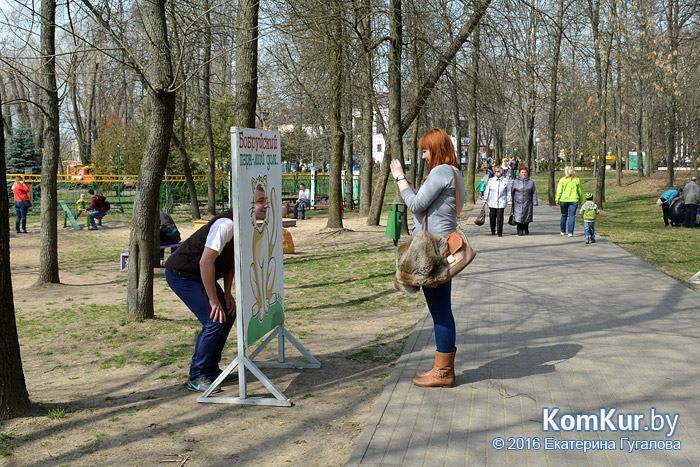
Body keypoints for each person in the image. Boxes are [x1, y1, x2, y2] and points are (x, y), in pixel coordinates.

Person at [165, 187, 269, 393]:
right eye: (260, 201)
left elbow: (231, 262)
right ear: (246, 205)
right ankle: (197, 375)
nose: (266, 205)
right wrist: (214, 300)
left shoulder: (247, 225)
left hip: (202, 275)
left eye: (265, 200)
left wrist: (227, 293)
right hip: (183, 274)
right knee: (213, 319)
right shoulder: (226, 224)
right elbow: (206, 262)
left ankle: (212, 369)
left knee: (228, 315)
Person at [389, 127, 465, 388]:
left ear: (436, 149)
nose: (422, 155)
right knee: (441, 311)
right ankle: (441, 368)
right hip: (440, 248)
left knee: (441, 313)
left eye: (425, 150)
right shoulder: (455, 172)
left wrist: (400, 178)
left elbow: (415, 204)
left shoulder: (441, 171)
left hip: (433, 252)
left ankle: (443, 373)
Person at [483, 165, 511, 237]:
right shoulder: (491, 180)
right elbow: (487, 190)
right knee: (492, 217)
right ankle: (493, 230)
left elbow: (508, 192)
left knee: (500, 217)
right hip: (492, 201)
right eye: (495, 171)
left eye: (498, 171)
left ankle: (500, 231)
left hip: (501, 201)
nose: (496, 173)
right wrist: (485, 199)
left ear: (501, 172)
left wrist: (509, 201)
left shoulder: (505, 181)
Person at [555, 166, 583, 236]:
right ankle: (570, 232)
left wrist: (557, 200)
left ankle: (562, 231)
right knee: (572, 216)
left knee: (564, 215)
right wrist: (580, 199)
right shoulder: (577, 180)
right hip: (574, 200)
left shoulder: (562, 180)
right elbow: (580, 191)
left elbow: (559, 191)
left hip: (564, 200)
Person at [510, 166, 538, 236]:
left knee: (527, 216)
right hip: (517, 202)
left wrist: (535, 201)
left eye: (525, 172)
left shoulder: (531, 182)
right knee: (518, 217)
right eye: (522, 172)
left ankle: (526, 227)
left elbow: (534, 192)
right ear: (519, 173)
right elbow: (512, 192)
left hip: (528, 202)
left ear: (527, 173)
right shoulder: (515, 182)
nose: (523, 174)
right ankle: (519, 229)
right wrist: (510, 201)